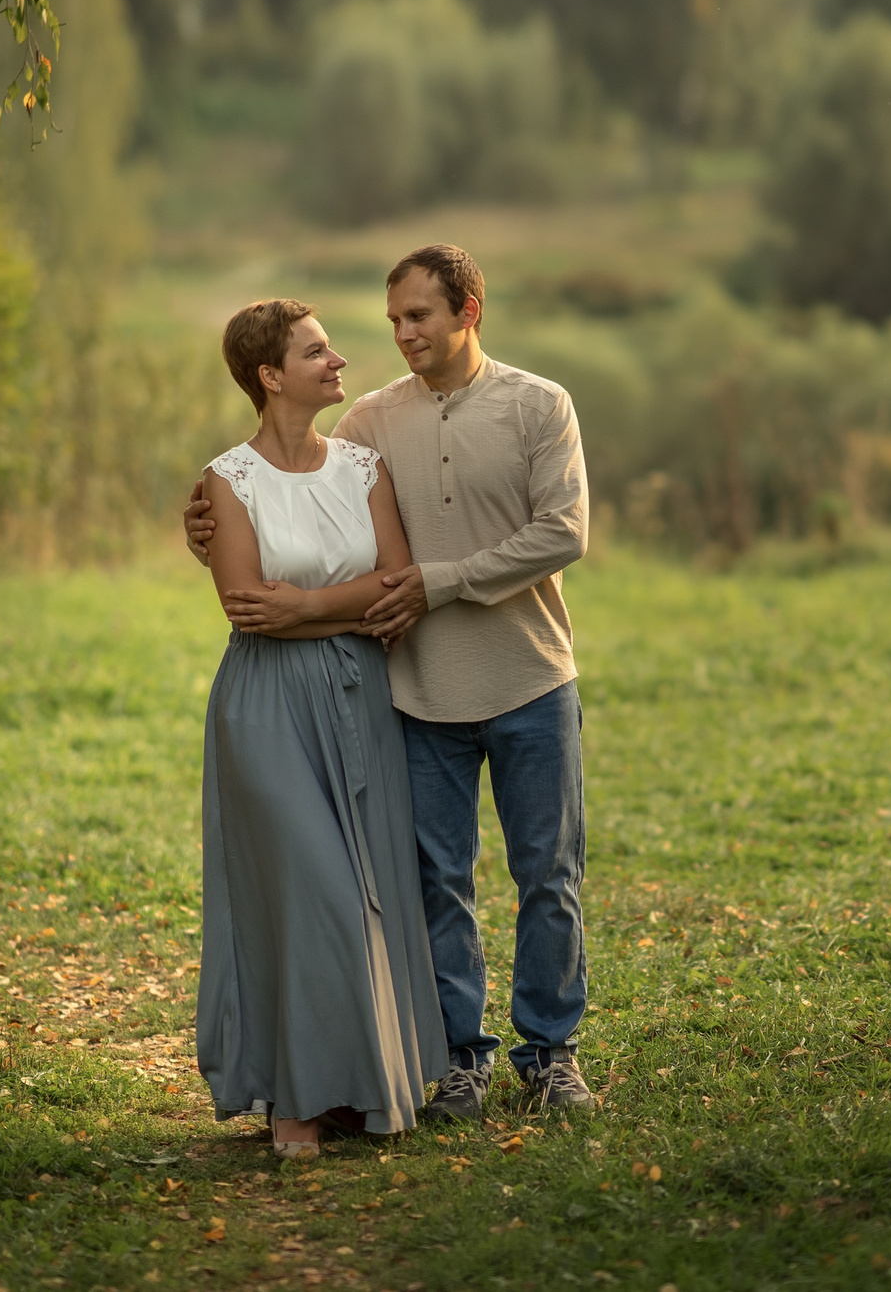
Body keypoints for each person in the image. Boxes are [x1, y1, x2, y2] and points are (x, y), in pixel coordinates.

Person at [188, 244, 598, 1118]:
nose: (402, 334)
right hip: (417, 691)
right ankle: (461, 1057)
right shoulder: (371, 423)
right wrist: (210, 522)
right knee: (435, 882)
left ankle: (551, 1053)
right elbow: (295, 483)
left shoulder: (539, 405)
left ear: (468, 310)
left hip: (530, 675)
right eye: (393, 321)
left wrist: (438, 582)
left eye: (419, 316)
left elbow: (563, 533)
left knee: (548, 875)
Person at [193, 298, 444, 1157]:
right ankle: (292, 1098)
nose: (339, 362)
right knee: (309, 894)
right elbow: (246, 611)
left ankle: (354, 1089)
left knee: (370, 891)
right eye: (317, 352)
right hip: (264, 707)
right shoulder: (228, 478)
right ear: (270, 375)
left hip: (359, 701)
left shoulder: (362, 467)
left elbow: (398, 586)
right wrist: (345, 608)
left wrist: (305, 604)